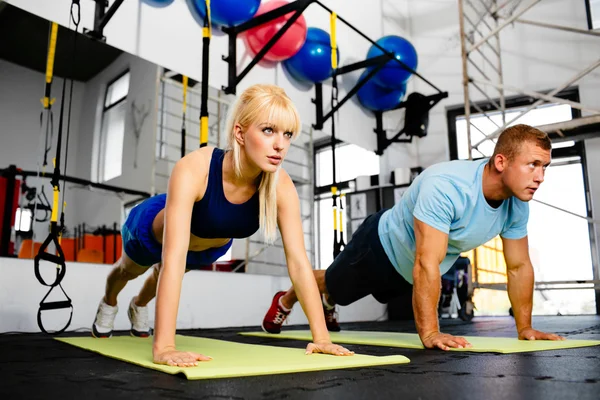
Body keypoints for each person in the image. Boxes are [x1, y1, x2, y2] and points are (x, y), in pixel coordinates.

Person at [92, 84, 354, 366]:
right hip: (152, 234)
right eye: (268, 130)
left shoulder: (281, 185)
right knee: (127, 271)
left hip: (206, 247)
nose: (280, 145)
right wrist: (165, 346)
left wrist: (322, 338)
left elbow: (300, 265)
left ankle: (139, 305)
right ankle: (110, 302)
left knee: (160, 277)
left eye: (287, 134)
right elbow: (173, 259)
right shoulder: (195, 168)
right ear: (240, 133)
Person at [262, 124, 566, 350]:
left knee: (341, 294)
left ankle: (328, 303)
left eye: (544, 167)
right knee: (334, 285)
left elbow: (518, 266)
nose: (540, 177)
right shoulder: (446, 186)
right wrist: (431, 333)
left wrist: (524, 327)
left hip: (409, 273)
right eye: (533, 165)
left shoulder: (517, 204)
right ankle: (287, 299)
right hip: (380, 246)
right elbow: (426, 262)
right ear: (501, 162)